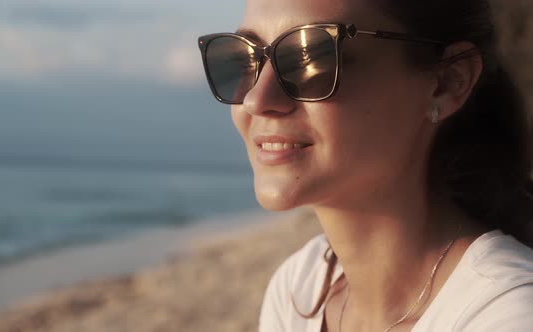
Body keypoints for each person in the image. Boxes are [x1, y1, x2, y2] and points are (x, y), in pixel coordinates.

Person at [198, 0, 533, 331]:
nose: (257, 99)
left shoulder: (507, 315)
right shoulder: (299, 290)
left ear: (447, 82)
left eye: (311, 57)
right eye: (245, 59)